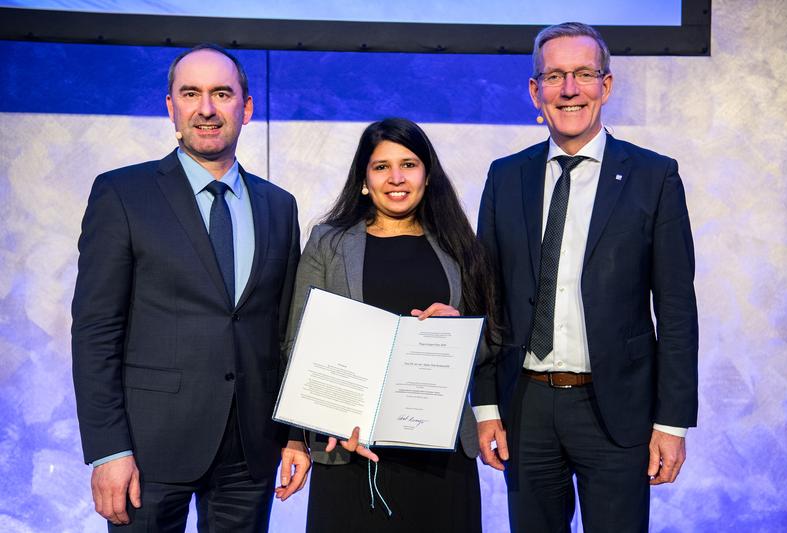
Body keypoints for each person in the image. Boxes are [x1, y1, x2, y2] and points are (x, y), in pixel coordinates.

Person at [71, 44, 310, 531]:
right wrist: (108, 449)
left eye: (222, 94)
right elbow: (96, 331)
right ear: (170, 107)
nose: (206, 108)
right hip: (147, 450)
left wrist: (294, 434)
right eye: (191, 93)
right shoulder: (122, 194)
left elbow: (284, 333)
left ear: (246, 108)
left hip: (250, 449)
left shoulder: (279, 207)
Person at [473, 22, 699, 532]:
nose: (569, 89)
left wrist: (671, 421)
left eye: (583, 74)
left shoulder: (654, 177)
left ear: (607, 85)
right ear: (535, 90)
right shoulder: (504, 177)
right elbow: (486, 301)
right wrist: (485, 405)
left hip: (617, 411)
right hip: (525, 408)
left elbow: (677, 308)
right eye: (553, 76)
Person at [283, 118, 495, 532]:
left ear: (427, 175)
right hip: (348, 447)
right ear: (363, 178)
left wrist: (458, 331)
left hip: (440, 455)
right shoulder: (328, 243)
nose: (396, 178)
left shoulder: (460, 246)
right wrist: (324, 421)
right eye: (381, 167)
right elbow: (298, 344)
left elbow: (491, 343)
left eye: (409, 164)